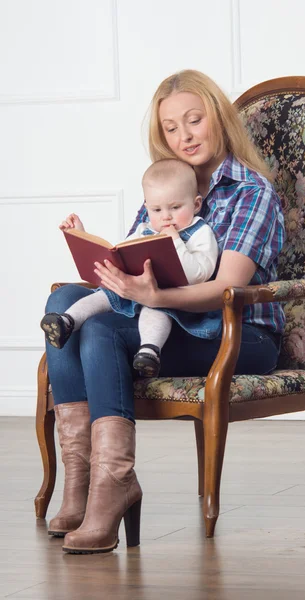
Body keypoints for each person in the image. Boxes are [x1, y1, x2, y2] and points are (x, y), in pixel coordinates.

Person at [43, 69, 286, 554]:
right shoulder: (165, 186)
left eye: (194, 121)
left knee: (100, 333)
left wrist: (153, 298)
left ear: (217, 118)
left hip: (237, 332)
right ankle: (81, 484)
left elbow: (226, 287)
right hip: (168, 324)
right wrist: (107, 265)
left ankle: (114, 486)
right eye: (171, 128)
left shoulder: (250, 192)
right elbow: (137, 256)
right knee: (63, 304)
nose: (184, 136)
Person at [40, 159, 219, 378]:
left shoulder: (201, 232)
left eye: (175, 207)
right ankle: (66, 321)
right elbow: (117, 255)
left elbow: (199, 274)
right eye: (156, 209)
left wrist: (175, 242)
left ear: (196, 204)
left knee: (156, 310)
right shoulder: (144, 229)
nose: (166, 217)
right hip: (132, 290)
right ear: (147, 208)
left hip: (170, 300)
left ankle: (149, 351)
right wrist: (81, 235)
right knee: (104, 295)